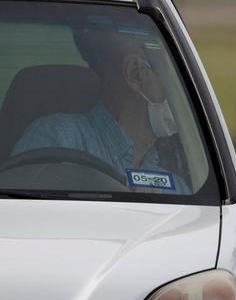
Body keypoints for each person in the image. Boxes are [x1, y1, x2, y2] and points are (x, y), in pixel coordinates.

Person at [12, 26, 190, 194]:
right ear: (135, 73)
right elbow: (23, 217)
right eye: (175, 79)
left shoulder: (176, 187)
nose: (184, 94)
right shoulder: (59, 140)